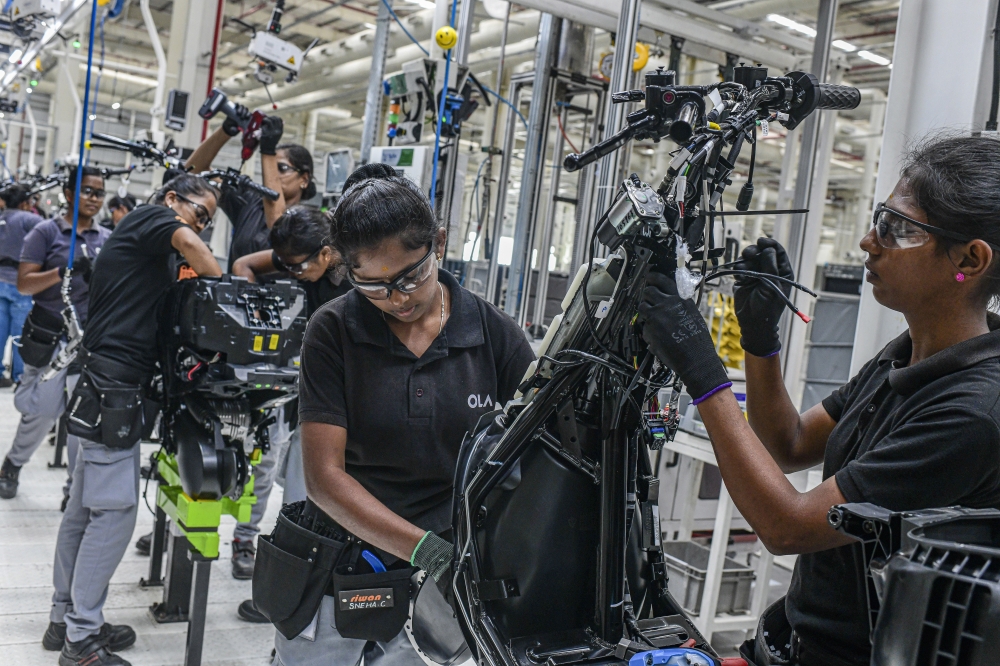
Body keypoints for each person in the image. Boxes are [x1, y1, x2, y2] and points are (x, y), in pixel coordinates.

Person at [639, 133, 1000, 666]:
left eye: (897, 228)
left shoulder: (973, 413)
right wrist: (761, 343)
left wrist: (702, 371)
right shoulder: (907, 355)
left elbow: (787, 527)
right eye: (880, 217)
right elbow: (791, 442)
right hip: (793, 641)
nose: (868, 241)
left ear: (969, 258)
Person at [269, 166, 534, 666]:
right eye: (374, 286)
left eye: (411, 275)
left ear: (438, 242)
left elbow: (544, 446)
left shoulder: (493, 333)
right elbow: (325, 479)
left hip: (439, 581)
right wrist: (430, 553)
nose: (399, 298)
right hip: (341, 556)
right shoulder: (334, 329)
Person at [47, 174, 223, 666]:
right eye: (199, 213)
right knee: (116, 512)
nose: (201, 228)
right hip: (114, 389)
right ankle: (81, 641)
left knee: (83, 508)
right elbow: (188, 240)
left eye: (210, 221)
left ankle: (65, 617)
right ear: (172, 200)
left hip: (104, 383)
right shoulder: (155, 219)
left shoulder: (149, 243)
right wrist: (227, 292)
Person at [228, 192, 358, 622]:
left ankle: (298, 611)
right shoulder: (299, 257)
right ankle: (291, 606)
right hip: (309, 395)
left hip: (347, 406)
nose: (290, 274)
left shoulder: (357, 277)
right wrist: (255, 317)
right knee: (300, 501)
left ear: (327, 252)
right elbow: (245, 265)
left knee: (319, 509)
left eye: (297, 266)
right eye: (283, 265)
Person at [0, 168, 108, 501]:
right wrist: (63, 271)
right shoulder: (45, 232)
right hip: (49, 333)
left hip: (87, 339)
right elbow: (24, 283)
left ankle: (74, 490)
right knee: (42, 410)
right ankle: (12, 464)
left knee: (82, 418)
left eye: (98, 192)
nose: (93, 198)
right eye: (86, 190)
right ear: (68, 192)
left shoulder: (106, 239)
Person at [185, 110, 317, 270]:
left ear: (304, 179)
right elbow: (193, 172)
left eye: (281, 168)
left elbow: (278, 222)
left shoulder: (309, 222)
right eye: (269, 167)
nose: (272, 174)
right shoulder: (249, 203)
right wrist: (226, 130)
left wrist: (268, 151)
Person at [0, 183, 43, 385]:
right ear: (25, 203)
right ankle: (19, 376)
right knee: (20, 334)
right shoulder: (28, 218)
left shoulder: (2, 218)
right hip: (20, 285)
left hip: (0, 282)